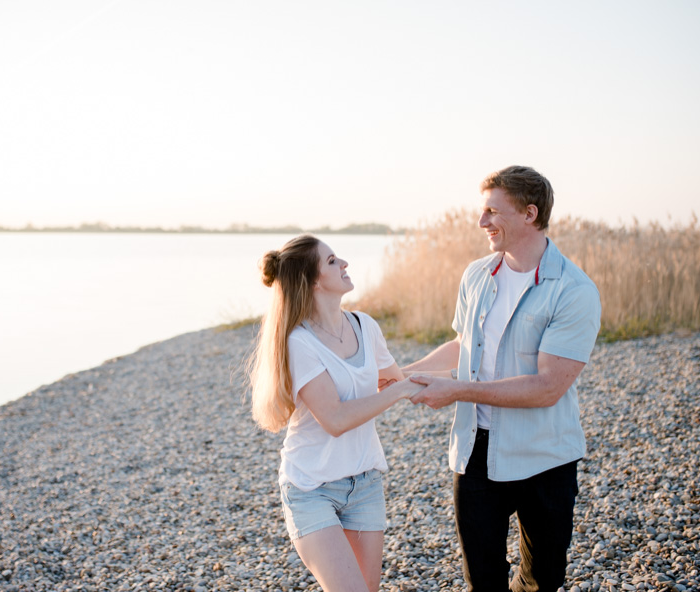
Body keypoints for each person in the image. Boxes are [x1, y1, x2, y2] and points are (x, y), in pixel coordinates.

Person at [405, 166, 602, 591]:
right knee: (483, 580)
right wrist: (405, 374)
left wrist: (456, 390)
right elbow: (463, 345)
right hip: (475, 450)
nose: (482, 222)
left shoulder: (573, 290)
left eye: (493, 211)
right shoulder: (477, 274)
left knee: (541, 581)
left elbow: (549, 386)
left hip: (545, 456)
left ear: (529, 214)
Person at [248, 234, 423, 592]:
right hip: (312, 488)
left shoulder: (365, 326)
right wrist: (402, 391)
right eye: (331, 261)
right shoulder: (299, 343)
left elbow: (395, 379)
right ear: (312, 281)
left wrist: (460, 375)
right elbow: (336, 419)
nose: (344, 263)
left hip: (365, 483)